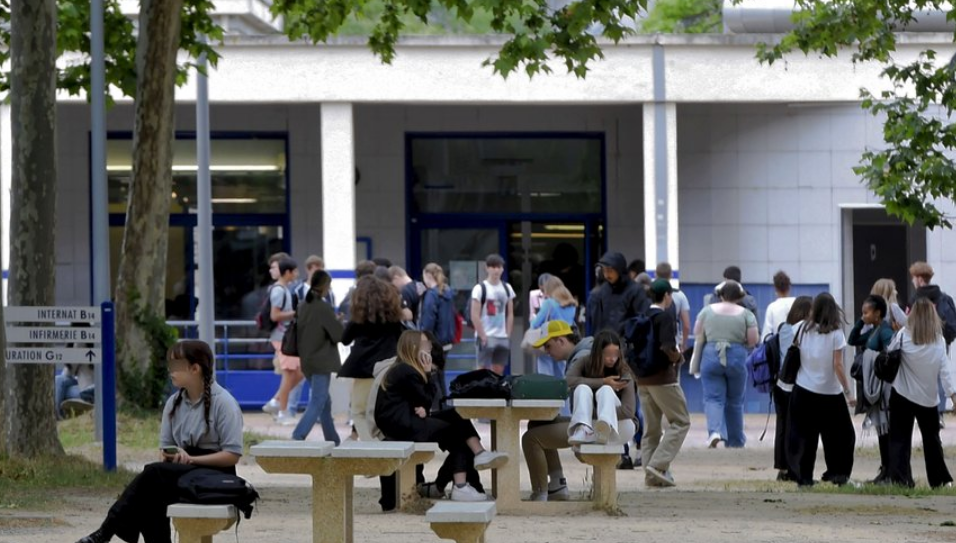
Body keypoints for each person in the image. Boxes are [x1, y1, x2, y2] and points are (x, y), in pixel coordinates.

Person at [75, 340, 243, 543]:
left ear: (195, 368)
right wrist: (171, 455)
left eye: (176, 366)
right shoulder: (173, 403)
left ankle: (105, 532)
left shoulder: (224, 403)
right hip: (182, 472)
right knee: (151, 490)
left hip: (215, 476)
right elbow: (164, 450)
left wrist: (193, 460)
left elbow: (232, 455)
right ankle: (111, 533)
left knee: (152, 474)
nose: (171, 372)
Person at [375, 330, 507, 502]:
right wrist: (428, 372)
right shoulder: (407, 370)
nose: (428, 349)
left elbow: (420, 402)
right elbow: (427, 399)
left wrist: (422, 405)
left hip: (404, 423)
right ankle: (462, 483)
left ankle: (471, 465)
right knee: (456, 429)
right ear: (412, 347)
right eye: (424, 345)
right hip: (404, 427)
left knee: (454, 416)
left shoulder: (402, 369)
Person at [787, 293, 856, 487]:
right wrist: (848, 392)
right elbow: (838, 365)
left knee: (806, 437)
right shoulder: (836, 334)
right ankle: (838, 474)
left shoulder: (801, 329)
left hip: (803, 390)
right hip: (830, 394)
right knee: (842, 437)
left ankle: (804, 478)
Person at [887, 298, 956, 488]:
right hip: (928, 398)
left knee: (899, 440)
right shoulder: (939, 340)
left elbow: (889, 354)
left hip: (901, 394)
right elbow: (945, 371)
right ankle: (939, 480)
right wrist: (953, 396)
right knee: (932, 441)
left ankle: (901, 480)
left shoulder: (903, 335)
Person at [522, 320, 594, 501]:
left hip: (592, 424)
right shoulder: (584, 353)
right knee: (538, 422)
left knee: (530, 439)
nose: (546, 352)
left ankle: (540, 491)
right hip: (592, 420)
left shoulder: (581, 357)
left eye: (548, 346)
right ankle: (557, 485)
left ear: (561, 341)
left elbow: (565, 387)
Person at [691, 280, 758, 448]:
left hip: (711, 354)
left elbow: (697, 332)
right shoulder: (746, 314)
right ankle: (735, 440)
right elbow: (753, 340)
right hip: (737, 355)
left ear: (720, 295)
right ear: (740, 296)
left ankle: (715, 431)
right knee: (735, 400)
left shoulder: (706, 311)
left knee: (713, 398)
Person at [339, 276, 406, 441]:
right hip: (388, 368)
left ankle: (371, 446)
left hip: (364, 369)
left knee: (359, 411)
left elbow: (345, 339)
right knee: (384, 409)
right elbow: (403, 338)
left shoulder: (358, 320)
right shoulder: (394, 320)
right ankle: (384, 442)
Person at [637, 279, 690, 488]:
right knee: (681, 421)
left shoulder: (642, 316)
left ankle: (650, 475)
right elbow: (668, 347)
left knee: (651, 429)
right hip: (662, 379)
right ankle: (658, 465)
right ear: (667, 296)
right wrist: (678, 358)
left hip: (642, 379)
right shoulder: (665, 317)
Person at [292, 271, 345, 443]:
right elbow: (338, 335)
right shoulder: (323, 308)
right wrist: (339, 321)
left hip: (306, 360)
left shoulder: (303, 306)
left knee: (324, 402)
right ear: (324, 287)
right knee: (319, 400)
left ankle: (333, 439)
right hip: (321, 361)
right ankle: (298, 435)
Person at [847, 294, 895, 483]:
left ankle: (889, 469)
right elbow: (852, 339)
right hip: (874, 385)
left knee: (885, 428)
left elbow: (889, 352)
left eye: (866, 312)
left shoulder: (884, 331)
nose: (864, 315)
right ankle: (885, 468)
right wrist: (861, 321)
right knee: (881, 428)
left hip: (882, 387)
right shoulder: (874, 330)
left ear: (878, 313)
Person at [566, 330, 636, 447]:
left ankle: (605, 425)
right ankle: (584, 429)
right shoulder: (585, 361)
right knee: (582, 388)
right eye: (607, 354)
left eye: (616, 354)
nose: (612, 359)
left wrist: (598, 410)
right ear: (597, 353)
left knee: (606, 391)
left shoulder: (623, 370)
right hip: (591, 426)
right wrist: (602, 381)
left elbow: (628, 411)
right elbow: (568, 380)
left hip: (619, 426)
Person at [771, 296, 813, 482]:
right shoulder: (803, 330)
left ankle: (783, 467)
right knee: (795, 428)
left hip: (780, 383)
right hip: (795, 384)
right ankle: (794, 468)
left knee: (782, 427)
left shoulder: (784, 328)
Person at [260, 257, 302, 425]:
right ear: (288, 272)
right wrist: (295, 313)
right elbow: (275, 315)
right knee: (289, 374)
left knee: (298, 372)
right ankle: (282, 412)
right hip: (281, 338)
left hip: (285, 337)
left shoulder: (283, 289)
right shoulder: (279, 290)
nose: (297, 274)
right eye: (295, 271)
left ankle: (276, 402)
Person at [470, 254, 516, 375]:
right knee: (482, 367)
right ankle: (481, 392)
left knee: (499, 369)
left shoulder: (507, 288)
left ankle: (495, 391)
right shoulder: (480, 288)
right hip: (485, 334)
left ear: (502, 269)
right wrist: (482, 335)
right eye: (493, 267)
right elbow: (474, 314)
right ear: (487, 268)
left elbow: (510, 313)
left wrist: (508, 334)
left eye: (499, 267)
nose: (496, 270)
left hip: (502, 335)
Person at [587, 251, 649, 335]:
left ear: (619, 270)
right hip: (604, 342)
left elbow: (642, 318)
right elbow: (595, 322)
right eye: (604, 271)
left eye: (610, 271)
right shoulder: (601, 292)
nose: (606, 275)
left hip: (627, 343)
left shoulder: (635, 291)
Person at [530, 276, 578, 377]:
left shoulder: (549, 303)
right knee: (562, 372)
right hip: (564, 342)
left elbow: (535, 324)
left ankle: (547, 392)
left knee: (545, 373)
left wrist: (532, 318)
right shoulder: (571, 305)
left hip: (549, 340)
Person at [419, 263, 458, 349]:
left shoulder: (431, 295)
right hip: (447, 339)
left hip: (435, 341)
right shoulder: (448, 292)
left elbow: (428, 320)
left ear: (428, 275)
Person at [655, 262, 691, 354]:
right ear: (671, 275)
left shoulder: (649, 294)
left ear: (656, 274)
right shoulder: (680, 295)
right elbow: (686, 325)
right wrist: (683, 344)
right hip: (673, 344)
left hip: (653, 343)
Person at [762, 270, 796, 340]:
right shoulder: (797, 303)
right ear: (789, 287)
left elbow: (766, 335)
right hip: (796, 346)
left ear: (775, 288)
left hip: (778, 346)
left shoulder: (772, 307)